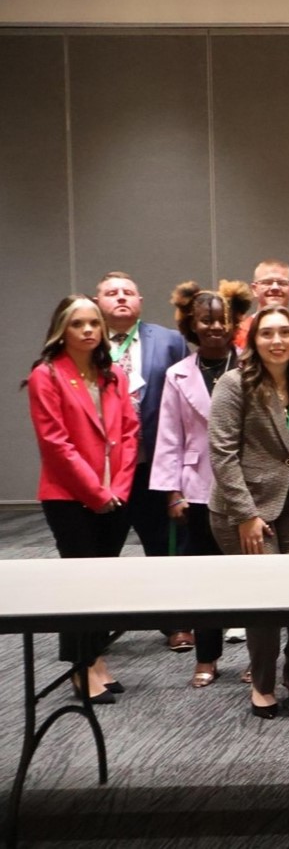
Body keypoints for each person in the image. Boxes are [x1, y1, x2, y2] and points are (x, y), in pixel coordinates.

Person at [208, 306, 289, 718]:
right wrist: (244, 515)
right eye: (267, 334)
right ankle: (262, 683)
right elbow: (222, 454)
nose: (277, 341)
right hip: (245, 508)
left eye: (285, 333)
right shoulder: (234, 384)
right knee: (265, 603)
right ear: (253, 341)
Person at [25, 295, 139, 703]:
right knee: (78, 582)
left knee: (103, 582)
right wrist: (96, 492)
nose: (89, 330)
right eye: (79, 324)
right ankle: (80, 666)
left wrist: (120, 488)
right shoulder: (47, 375)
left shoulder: (114, 376)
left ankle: (95, 660)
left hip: (115, 495)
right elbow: (55, 444)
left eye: (94, 323)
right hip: (69, 497)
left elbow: (129, 433)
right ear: (62, 329)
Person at [150, 280, 252, 688]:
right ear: (191, 324)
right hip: (196, 489)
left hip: (246, 488)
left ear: (233, 323)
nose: (213, 327)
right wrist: (172, 491)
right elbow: (169, 436)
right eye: (205, 320)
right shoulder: (177, 374)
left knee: (251, 579)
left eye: (220, 320)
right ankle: (206, 657)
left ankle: (256, 658)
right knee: (206, 577)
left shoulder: (250, 364)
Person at [93, 271, 191, 651]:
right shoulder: (87, 339)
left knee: (168, 547)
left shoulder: (170, 342)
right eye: (111, 293)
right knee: (100, 549)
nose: (121, 298)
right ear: (98, 301)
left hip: (155, 464)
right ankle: (94, 627)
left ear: (140, 301)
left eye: (128, 292)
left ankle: (177, 623)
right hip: (104, 469)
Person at [233, 259, 289, 347]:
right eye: (267, 282)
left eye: (282, 283)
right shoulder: (237, 332)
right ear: (254, 289)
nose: (275, 288)